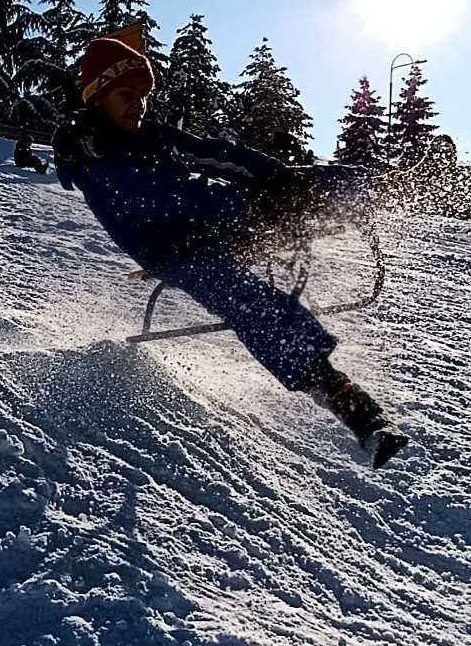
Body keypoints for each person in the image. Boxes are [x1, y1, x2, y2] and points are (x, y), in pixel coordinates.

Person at [52, 36, 408, 468]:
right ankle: (360, 415)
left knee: (301, 182)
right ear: (97, 98)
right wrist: (259, 203)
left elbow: (212, 154)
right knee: (251, 302)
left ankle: (384, 187)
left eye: (144, 95)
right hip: (176, 251)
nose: (139, 105)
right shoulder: (102, 168)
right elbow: (182, 198)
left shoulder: (147, 133)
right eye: (127, 95)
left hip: (211, 225)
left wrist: (277, 178)